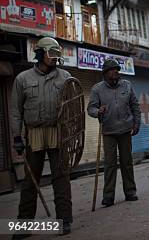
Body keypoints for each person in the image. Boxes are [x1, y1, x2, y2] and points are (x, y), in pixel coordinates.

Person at [10, 37, 73, 237]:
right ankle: (24, 226)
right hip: (34, 133)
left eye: (57, 55)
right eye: (51, 54)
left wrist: (71, 133)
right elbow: (15, 112)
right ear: (40, 54)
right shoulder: (23, 79)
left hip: (58, 132)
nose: (55, 58)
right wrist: (17, 137)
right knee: (30, 181)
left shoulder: (65, 77)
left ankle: (64, 222)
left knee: (61, 178)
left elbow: (73, 107)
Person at [87, 59, 140, 207]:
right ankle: (108, 196)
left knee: (127, 162)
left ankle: (130, 191)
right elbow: (90, 109)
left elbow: (135, 105)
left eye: (117, 69)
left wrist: (137, 123)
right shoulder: (97, 89)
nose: (115, 72)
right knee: (110, 164)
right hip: (108, 131)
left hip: (125, 130)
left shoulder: (127, 85)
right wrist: (98, 111)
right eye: (112, 70)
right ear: (105, 73)